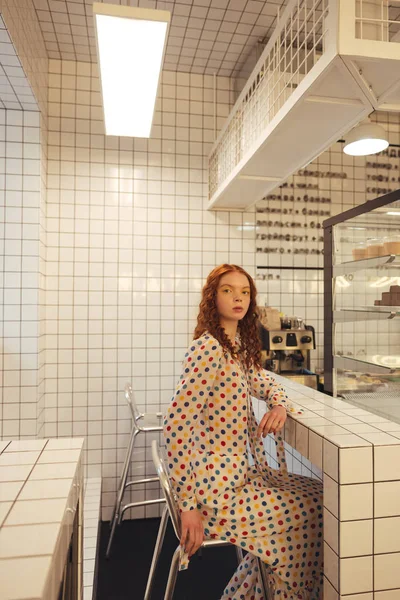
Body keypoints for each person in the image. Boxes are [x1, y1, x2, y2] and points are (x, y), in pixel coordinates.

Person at [163, 264, 323, 599]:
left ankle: (257, 590)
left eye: (245, 291)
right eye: (227, 290)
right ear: (212, 297)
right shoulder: (209, 349)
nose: (238, 297)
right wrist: (187, 505)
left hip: (238, 477)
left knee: (317, 495)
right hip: (216, 493)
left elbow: (264, 381)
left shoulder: (232, 348)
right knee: (316, 506)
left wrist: (278, 405)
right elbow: (175, 427)